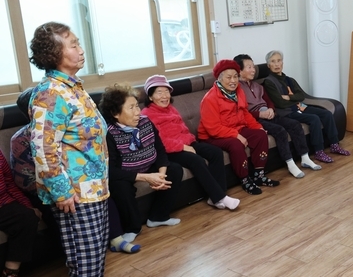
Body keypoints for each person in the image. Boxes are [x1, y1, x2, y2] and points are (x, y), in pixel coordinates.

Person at [28, 22, 109, 277]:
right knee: (86, 265)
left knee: (95, 260)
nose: (81, 50)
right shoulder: (50, 94)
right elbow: (43, 149)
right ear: (55, 54)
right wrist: (62, 192)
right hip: (74, 194)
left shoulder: (72, 87)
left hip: (93, 188)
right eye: (73, 45)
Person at [12, 88, 138, 255]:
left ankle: (114, 239)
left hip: (76, 180)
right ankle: (78, 254)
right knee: (62, 208)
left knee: (101, 192)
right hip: (45, 190)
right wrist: (62, 187)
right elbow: (23, 179)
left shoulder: (65, 127)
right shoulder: (20, 139)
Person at [99, 84, 182, 242]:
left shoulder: (146, 122)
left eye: (137, 106)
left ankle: (158, 217)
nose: (138, 112)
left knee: (175, 170)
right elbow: (111, 171)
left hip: (149, 164)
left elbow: (160, 150)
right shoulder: (109, 134)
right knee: (119, 186)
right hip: (127, 172)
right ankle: (132, 227)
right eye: (131, 108)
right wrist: (145, 177)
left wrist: (161, 175)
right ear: (115, 113)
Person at [141, 75, 239, 209]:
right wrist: (182, 147)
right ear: (150, 97)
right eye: (159, 92)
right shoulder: (147, 115)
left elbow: (183, 130)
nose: (164, 96)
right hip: (169, 151)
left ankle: (216, 197)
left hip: (187, 143)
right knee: (196, 160)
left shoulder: (171, 108)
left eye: (166, 91)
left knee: (215, 152)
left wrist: (191, 143)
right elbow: (159, 142)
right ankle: (220, 197)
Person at [198, 60, 280, 195]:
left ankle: (259, 175)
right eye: (228, 77)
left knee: (260, 135)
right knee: (236, 144)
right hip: (212, 136)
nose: (233, 81)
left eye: (235, 76)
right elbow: (213, 128)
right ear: (219, 78)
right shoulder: (210, 98)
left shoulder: (239, 92)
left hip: (236, 128)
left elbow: (245, 113)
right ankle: (245, 179)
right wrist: (236, 135)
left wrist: (257, 127)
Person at [233, 54, 322, 178]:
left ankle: (305, 158)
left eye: (253, 67)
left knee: (295, 125)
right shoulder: (236, 89)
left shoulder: (258, 86)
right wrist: (260, 114)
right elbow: (240, 112)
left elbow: (269, 101)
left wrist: (271, 109)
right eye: (249, 67)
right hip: (255, 119)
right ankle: (290, 164)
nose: (253, 70)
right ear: (240, 71)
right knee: (280, 131)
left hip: (270, 114)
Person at [262, 50, 350, 163]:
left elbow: (301, 96)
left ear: (282, 62)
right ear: (268, 65)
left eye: (279, 60)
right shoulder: (269, 82)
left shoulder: (290, 79)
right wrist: (294, 99)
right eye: (273, 62)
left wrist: (289, 97)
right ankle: (319, 151)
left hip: (300, 106)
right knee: (314, 118)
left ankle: (334, 144)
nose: (277, 64)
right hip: (287, 111)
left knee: (326, 114)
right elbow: (279, 103)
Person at [0, 151, 40, 277]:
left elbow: (9, 184)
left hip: (3, 203)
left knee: (28, 217)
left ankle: (9, 276)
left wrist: (27, 206)